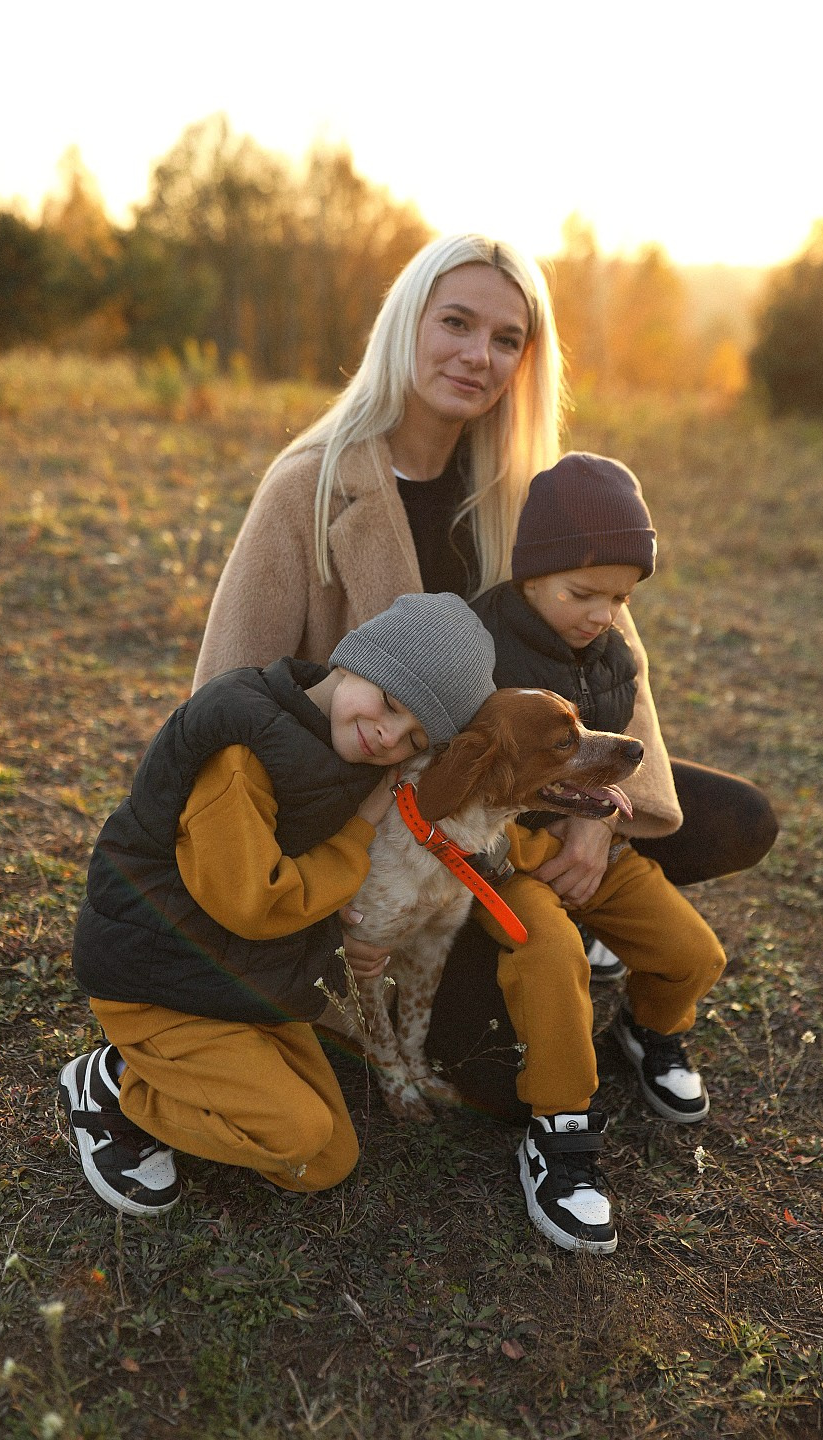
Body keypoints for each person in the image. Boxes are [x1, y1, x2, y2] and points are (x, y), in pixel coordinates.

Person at [189, 230, 777, 1197]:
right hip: (381, 828)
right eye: (455, 323)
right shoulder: (311, 486)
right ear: (405, 326)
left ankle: (563, 914)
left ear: (525, 360)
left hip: (519, 797)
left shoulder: (519, 491)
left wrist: (602, 821)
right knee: (505, 1088)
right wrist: (305, 882)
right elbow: (225, 693)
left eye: (506, 339)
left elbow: (609, 653)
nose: (478, 354)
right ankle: (467, 953)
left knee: (737, 820)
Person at [58, 593, 497, 1217]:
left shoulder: (338, 749)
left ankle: (185, 1078)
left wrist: (355, 932)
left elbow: (310, 890)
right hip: (159, 980)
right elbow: (255, 904)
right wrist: (356, 840)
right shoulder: (242, 746)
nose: (388, 736)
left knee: (323, 1161)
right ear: (354, 661)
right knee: (293, 1134)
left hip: (242, 981)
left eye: (414, 738)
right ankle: (115, 1085)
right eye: (391, 704)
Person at [465, 453, 727, 1253]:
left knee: (692, 952)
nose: (601, 614)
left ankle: (650, 1026)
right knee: (550, 963)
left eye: (618, 597)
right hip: (506, 856)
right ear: (531, 576)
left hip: (593, 837)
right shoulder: (477, 640)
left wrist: (600, 828)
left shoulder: (614, 654)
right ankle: (559, 1127)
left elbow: (622, 757)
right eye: (582, 594)